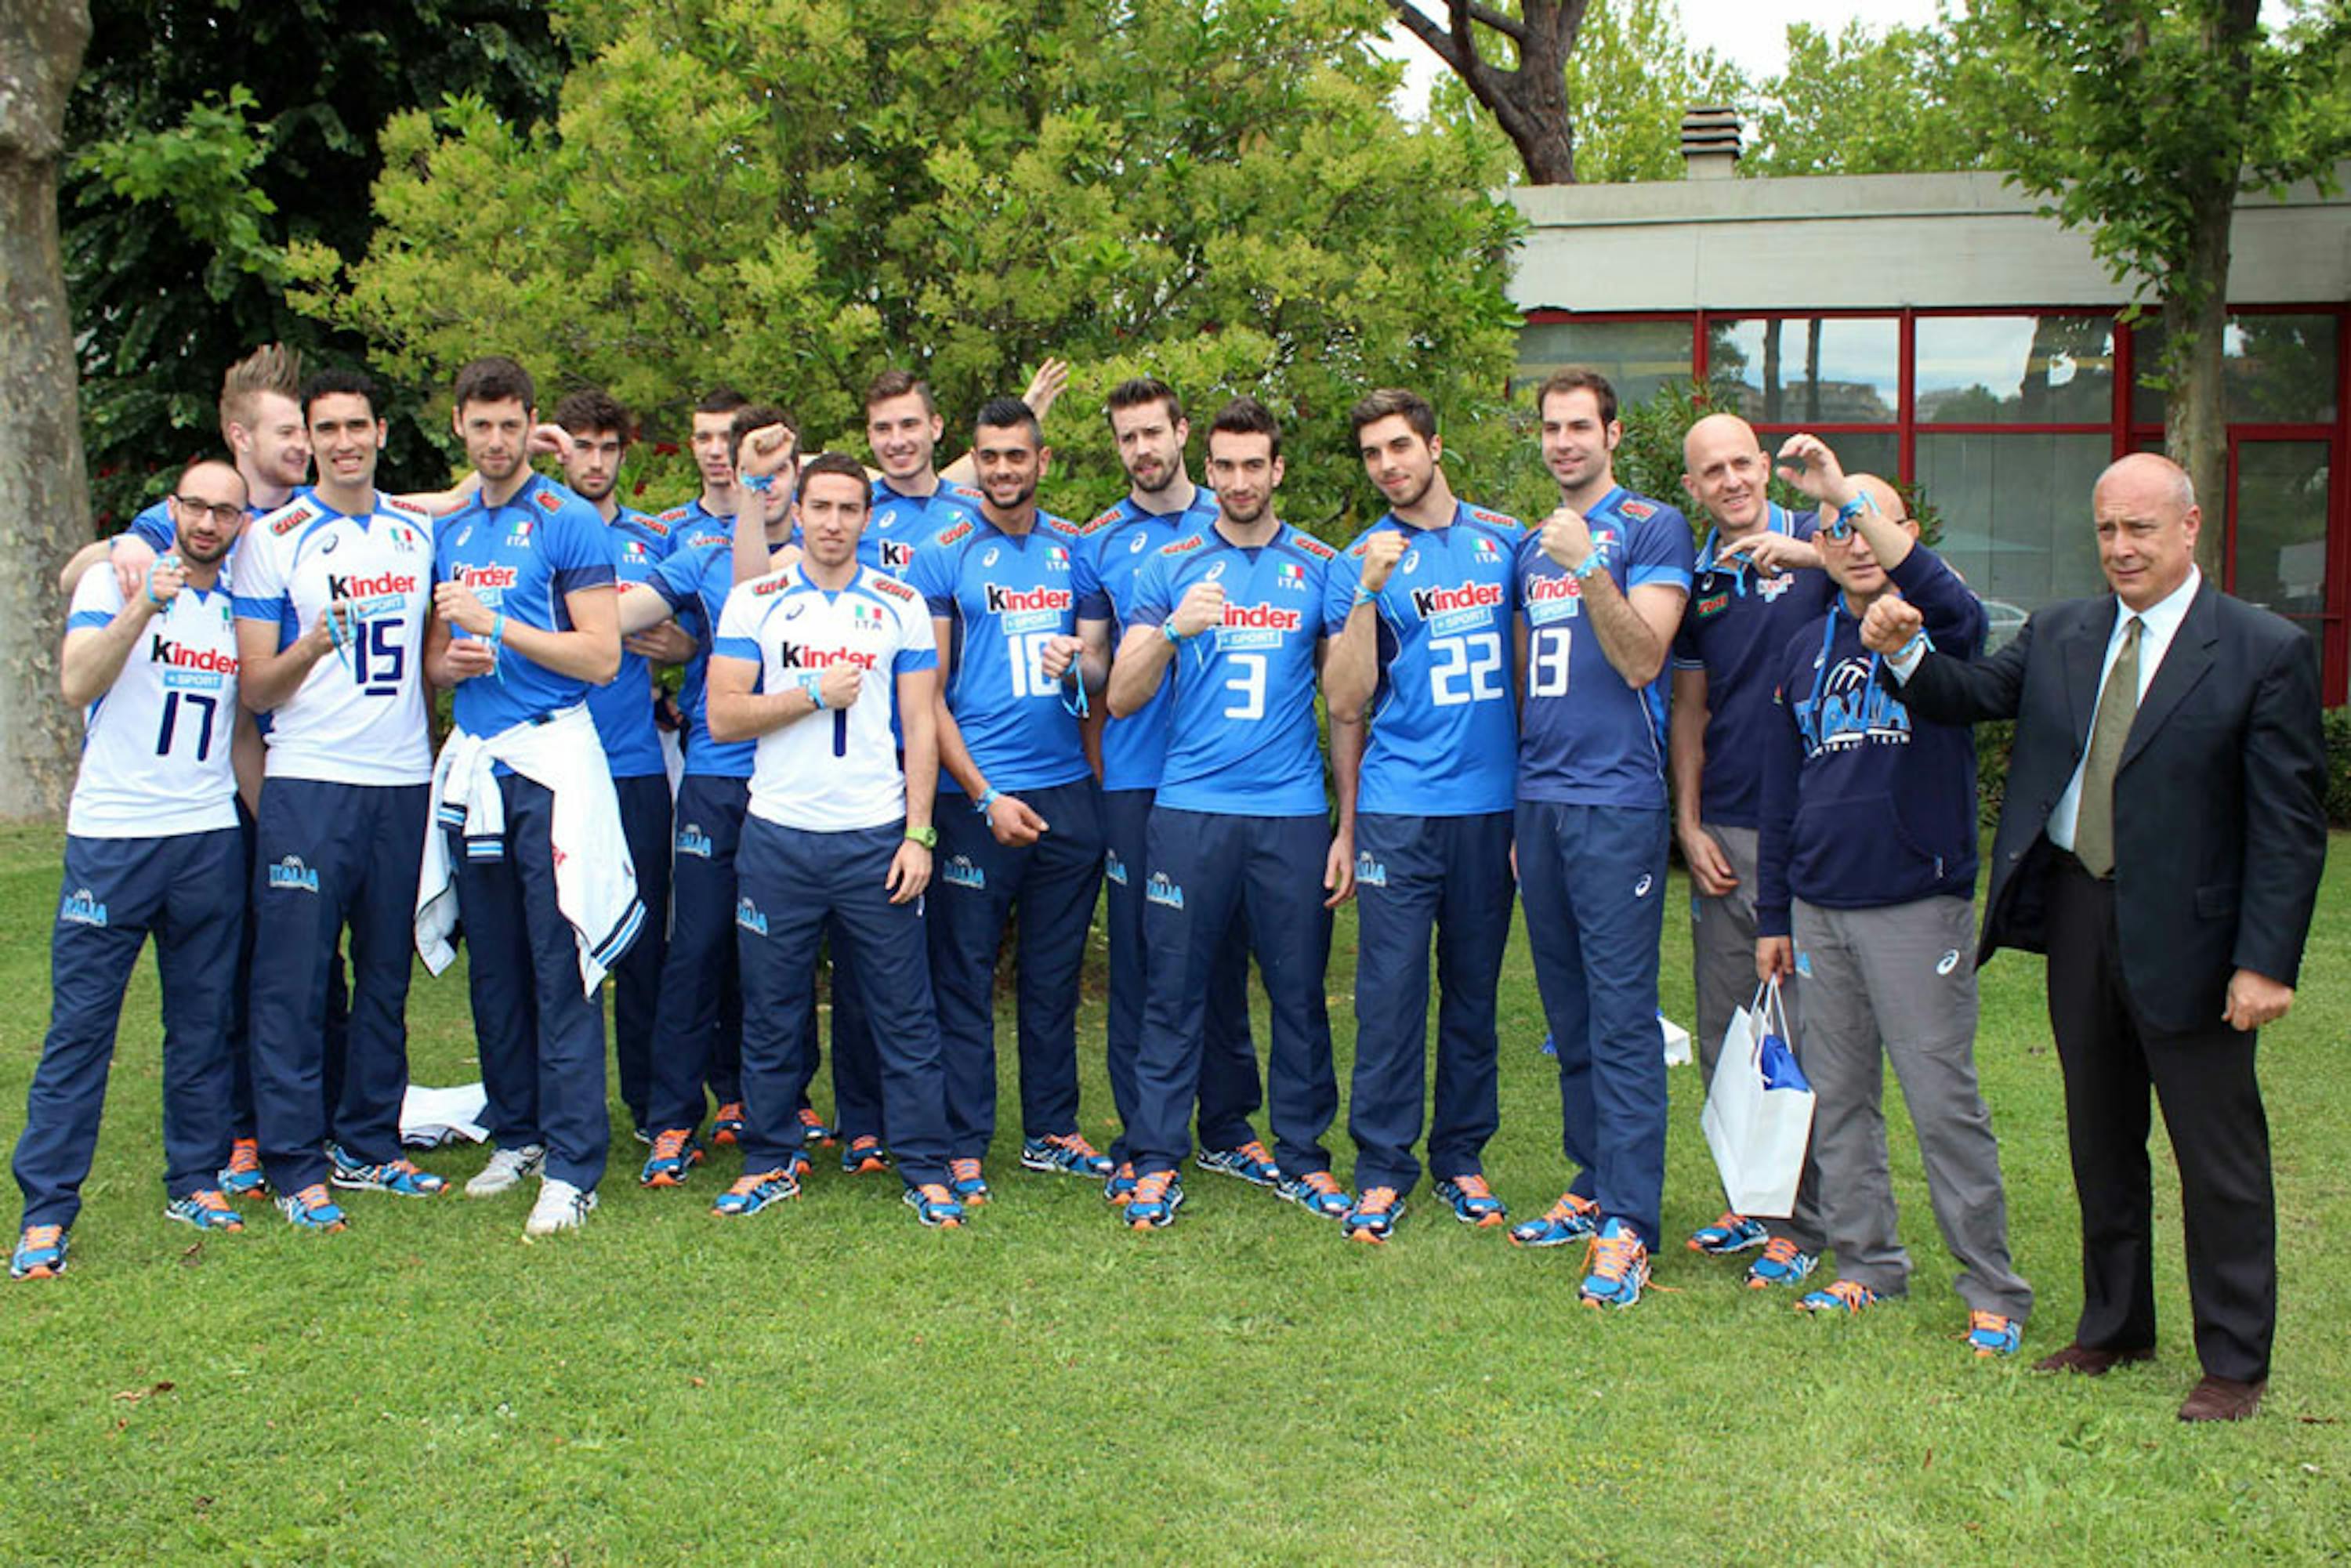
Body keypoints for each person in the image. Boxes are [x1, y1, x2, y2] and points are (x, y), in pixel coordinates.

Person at [1871, 451, 2326, 1420]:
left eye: (2141, 530)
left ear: (2191, 527)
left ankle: (2235, 1362)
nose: (2121, 548)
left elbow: (2287, 830)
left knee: (2219, 1158)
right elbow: (1969, 696)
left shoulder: (2260, 648)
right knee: (2100, 1139)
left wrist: (2264, 963)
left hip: (2199, 943)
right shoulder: (2065, 632)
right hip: (2080, 915)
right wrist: (1907, 653)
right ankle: (2114, 1327)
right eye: (2108, 530)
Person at [1752, 436, 2030, 1356]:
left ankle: (1991, 1287)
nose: (1854, 538)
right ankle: (1865, 1262)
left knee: (1940, 1097)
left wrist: (1841, 491)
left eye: (1870, 520)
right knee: (1840, 1097)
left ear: (1905, 532)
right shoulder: (1801, 648)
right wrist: (1773, 915)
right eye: (1834, 526)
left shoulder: (1941, 623)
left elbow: (1947, 601)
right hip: (1823, 907)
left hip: (1917, 904)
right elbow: (1779, 795)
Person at [1106, 396, 1358, 1230]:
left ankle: (1302, 1153)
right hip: (1189, 810)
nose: (1241, 480)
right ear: (1205, 470)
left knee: (1296, 992)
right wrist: (1171, 632)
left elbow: (1346, 699)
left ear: (1277, 470)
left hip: (1288, 813)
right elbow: (1120, 697)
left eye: (1256, 465)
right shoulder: (1169, 564)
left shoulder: (1319, 564)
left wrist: (1346, 827)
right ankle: (1153, 1155)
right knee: (1171, 991)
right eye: (1226, 466)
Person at [701, 451, 965, 1226]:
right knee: (773, 1007)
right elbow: (723, 715)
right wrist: (811, 691)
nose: (833, 522)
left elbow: (921, 724)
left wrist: (919, 834)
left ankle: (923, 1162)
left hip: (874, 837)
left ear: (867, 517)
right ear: (798, 508)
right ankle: (770, 1157)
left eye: (850, 509)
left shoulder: (899, 603)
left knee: (903, 1011)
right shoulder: (755, 601)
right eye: (821, 507)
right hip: (780, 837)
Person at [12, 462, 259, 1279]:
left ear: (241, 524)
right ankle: (46, 1209)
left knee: (201, 1026)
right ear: (174, 510)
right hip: (114, 840)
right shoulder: (114, 581)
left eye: (227, 512)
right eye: (197, 507)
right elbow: (77, 680)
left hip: (204, 840)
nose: (210, 523)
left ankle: (194, 1177)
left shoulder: (236, 610)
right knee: (81, 1030)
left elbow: (238, 737)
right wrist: (144, 601)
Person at [419, 356, 629, 1239]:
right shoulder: (450, 526)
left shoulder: (569, 520)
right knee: (496, 962)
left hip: (550, 763)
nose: (496, 440)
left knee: (560, 960)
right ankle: (518, 1135)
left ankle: (575, 1162)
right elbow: (434, 662)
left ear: (531, 424)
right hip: (476, 761)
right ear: (458, 427)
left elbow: (602, 657)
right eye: (481, 424)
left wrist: (496, 627)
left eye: (511, 425)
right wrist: (454, 658)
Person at [235, 368, 440, 1232]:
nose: (346, 442)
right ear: (308, 441)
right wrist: (313, 644)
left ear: (382, 432)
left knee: (386, 975)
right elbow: (255, 687)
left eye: (359, 426)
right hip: (311, 780)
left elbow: (427, 661)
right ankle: (292, 1160)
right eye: (329, 430)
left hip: (400, 780)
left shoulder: (413, 532)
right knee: (294, 976)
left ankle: (368, 1141)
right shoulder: (274, 536)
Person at [1505, 367, 1692, 1310]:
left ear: (1613, 436)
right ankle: (1589, 1183)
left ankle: (1631, 1221)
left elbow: (1642, 656)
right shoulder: (1527, 545)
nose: (1565, 441)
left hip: (1618, 802)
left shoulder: (1650, 527)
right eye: (1552, 427)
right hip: (1541, 802)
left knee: (1622, 1019)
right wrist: (1514, 808)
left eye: (1581, 426)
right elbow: (1518, 689)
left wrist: (1587, 564)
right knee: (1568, 1013)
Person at [1321, 389, 1520, 1242]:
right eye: (1372, 453)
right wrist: (1367, 593)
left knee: (1473, 991)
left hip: (1492, 808)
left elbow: (1528, 676)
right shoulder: (1358, 559)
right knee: (1390, 994)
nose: (1388, 465)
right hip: (1401, 807)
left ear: (1435, 446)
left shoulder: (1506, 542)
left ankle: (1463, 1157)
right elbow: (1346, 698)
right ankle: (1381, 1166)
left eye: (1400, 446)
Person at [909, 397, 1113, 1204]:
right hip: (977, 798)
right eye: (988, 456)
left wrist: (1079, 664)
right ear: (975, 460)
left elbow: (1100, 673)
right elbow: (927, 698)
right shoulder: (944, 552)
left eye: (1016, 456)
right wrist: (983, 792)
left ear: (1043, 460)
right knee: (961, 976)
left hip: (1066, 793)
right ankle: (962, 1139)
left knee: (1053, 976)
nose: (1002, 470)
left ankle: (1052, 1130)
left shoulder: (1077, 550)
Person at [1075, 378, 1268, 1200]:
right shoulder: (1100, 541)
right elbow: (1095, 661)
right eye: (1127, 438)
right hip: (1136, 777)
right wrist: (1075, 666)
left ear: (1183, 432)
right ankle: (1142, 1130)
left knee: (1223, 956)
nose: (1143, 450)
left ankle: (1227, 1125)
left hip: (1225, 782)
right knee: (1144, 960)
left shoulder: (1232, 515)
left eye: (1153, 432)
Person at [623, 407, 812, 1186]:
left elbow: (758, 592)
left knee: (778, 956)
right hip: (714, 771)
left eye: (779, 468)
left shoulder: (823, 546)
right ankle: (673, 1117)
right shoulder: (699, 546)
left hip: (793, 783)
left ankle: (777, 1101)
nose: (766, 480)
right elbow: (622, 615)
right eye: (750, 466)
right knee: (695, 946)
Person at [1671, 412, 1835, 1284]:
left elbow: (1912, 585)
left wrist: (1809, 555)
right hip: (1730, 827)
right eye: (1711, 471)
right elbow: (1689, 712)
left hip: (1824, 826)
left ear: (1764, 466)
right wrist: (1688, 824)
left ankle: (1808, 1224)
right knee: (1732, 1029)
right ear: (1692, 487)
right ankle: (1754, 1203)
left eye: (1742, 463)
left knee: (1807, 1033)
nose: (1730, 481)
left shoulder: (1823, 538)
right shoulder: (1697, 579)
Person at [551, 389, 696, 1141]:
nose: (596, 461)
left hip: (635, 763)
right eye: (582, 446)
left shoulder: (655, 537)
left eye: (609, 447)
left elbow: (703, 626)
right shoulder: (533, 528)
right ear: (558, 449)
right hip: (549, 764)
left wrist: (686, 652)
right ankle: (546, 1113)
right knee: (553, 946)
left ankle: (651, 1108)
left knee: (644, 943)